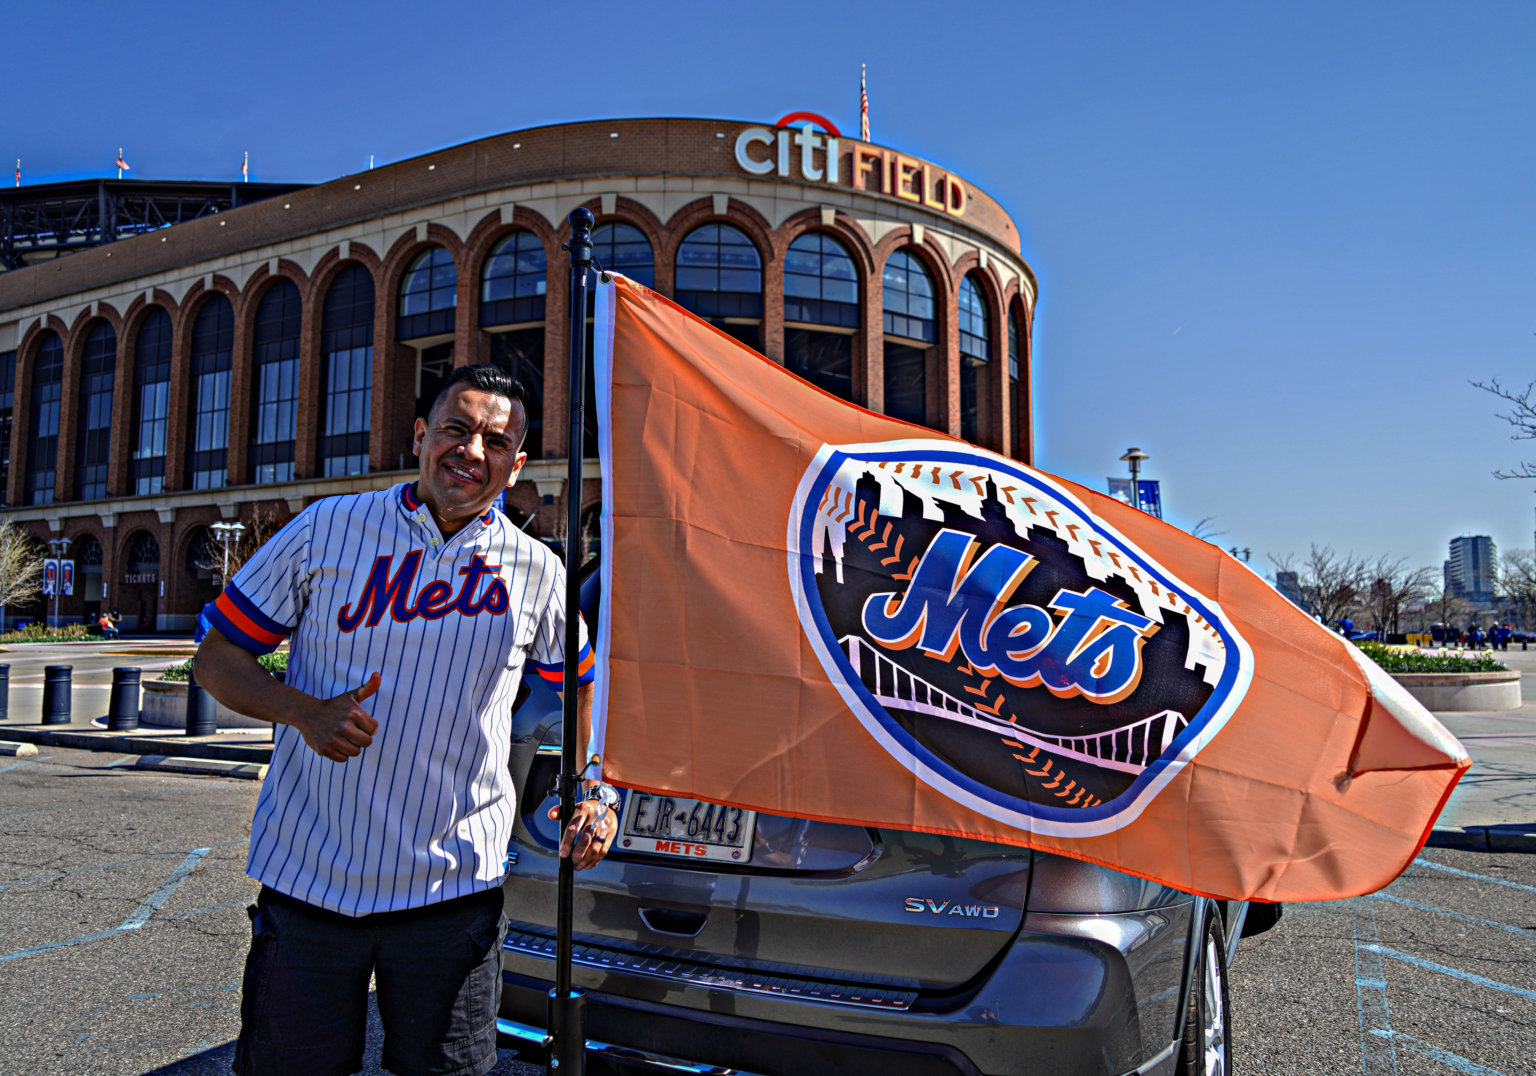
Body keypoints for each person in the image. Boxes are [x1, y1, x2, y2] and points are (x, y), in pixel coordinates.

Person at [193, 363, 615, 1076]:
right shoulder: (327, 529)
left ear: (516, 466)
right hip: (312, 880)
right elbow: (217, 658)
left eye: (497, 441)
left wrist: (593, 785)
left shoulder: (537, 570)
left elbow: (582, 685)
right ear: (420, 435)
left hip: (454, 892)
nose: (472, 451)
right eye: (456, 428)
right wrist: (302, 712)